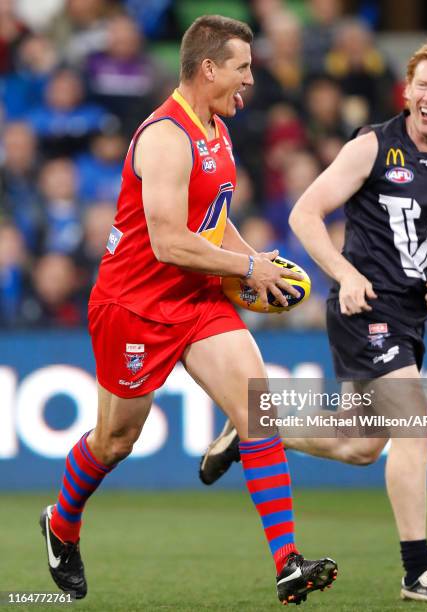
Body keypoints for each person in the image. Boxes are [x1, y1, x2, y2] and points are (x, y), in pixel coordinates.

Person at [39, 15, 337, 605]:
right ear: (208, 69)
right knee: (116, 441)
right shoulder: (165, 137)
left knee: (258, 406)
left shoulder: (217, 129)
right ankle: (61, 523)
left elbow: (213, 225)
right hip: (135, 307)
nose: (250, 80)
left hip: (197, 298)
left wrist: (257, 262)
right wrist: (248, 270)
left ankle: (287, 563)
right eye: (242, 68)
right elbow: (168, 242)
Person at [200, 37, 427, 602]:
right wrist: (344, 275)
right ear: (407, 91)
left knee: (361, 446)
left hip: (411, 315)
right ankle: (418, 573)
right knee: (415, 424)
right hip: (363, 307)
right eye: (420, 85)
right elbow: (306, 213)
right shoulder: (373, 147)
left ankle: (261, 421)